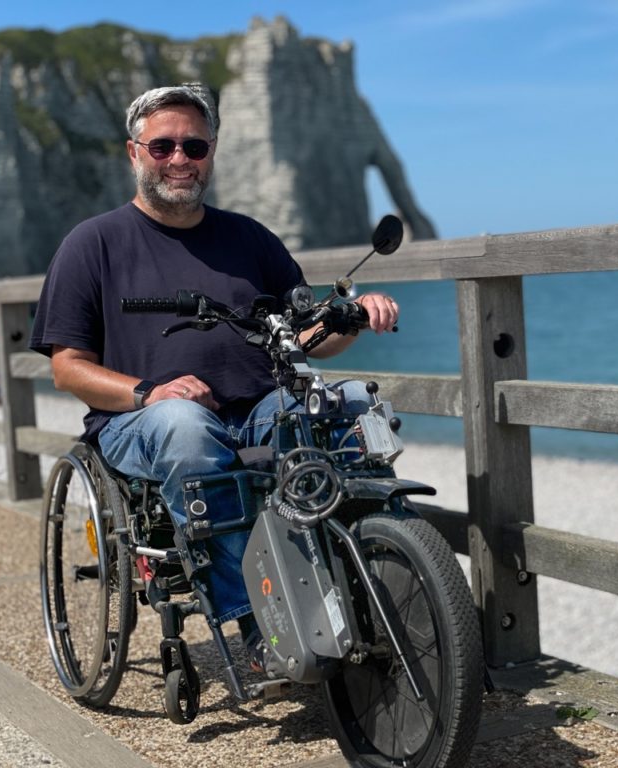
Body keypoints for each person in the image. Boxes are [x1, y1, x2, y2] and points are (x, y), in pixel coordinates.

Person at [29, 84, 399, 668]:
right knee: (184, 425)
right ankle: (257, 625)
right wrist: (150, 392)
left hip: (256, 407)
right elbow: (66, 368)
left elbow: (308, 339)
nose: (180, 159)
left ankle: (390, 583)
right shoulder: (91, 244)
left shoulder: (250, 238)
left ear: (212, 152)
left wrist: (351, 313)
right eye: (163, 146)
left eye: (194, 147)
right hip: (142, 421)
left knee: (347, 402)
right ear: (134, 153)